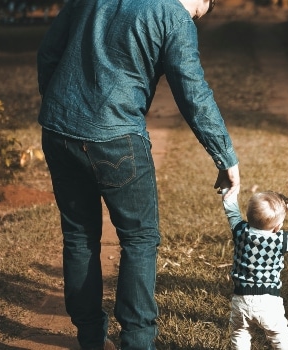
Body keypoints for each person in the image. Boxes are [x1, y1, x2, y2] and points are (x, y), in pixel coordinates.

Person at [36, 0, 239, 349]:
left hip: (59, 130)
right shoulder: (173, 16)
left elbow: (49, 53)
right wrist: (225, 157)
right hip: (116, 138)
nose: (193, 19)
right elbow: (192, 92)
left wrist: (63, 110)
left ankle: (90, 339)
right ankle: (137, 341)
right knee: (139, 239)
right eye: (198, 14)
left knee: (79, 236)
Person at [220, 189, 288, 350]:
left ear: (248, 216)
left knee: (240, 334)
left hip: (241, 299)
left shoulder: (240, 232)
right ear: (278, 226)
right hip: (268, 301)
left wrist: (228, 190)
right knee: (280, 337)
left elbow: (231, 212)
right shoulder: (280, 241)